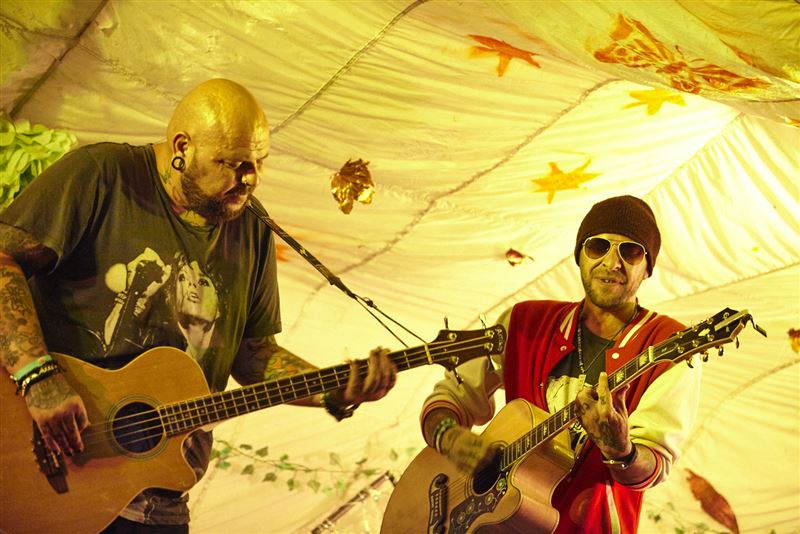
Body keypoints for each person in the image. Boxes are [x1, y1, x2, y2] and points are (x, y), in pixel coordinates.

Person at [0, 78, 397, 532]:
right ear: (182, 147)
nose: (251, 179)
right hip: (57, 466)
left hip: (160, 500)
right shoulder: (102, 175)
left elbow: (254, 355)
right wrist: (37, 375)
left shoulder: (252, 230)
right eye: (235, 163)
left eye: (260, 163)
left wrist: (333, 389)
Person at [419, 195, 701, 533]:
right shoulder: (523, 322)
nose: (612, 262)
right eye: (598, 246)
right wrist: (450, 438)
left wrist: (622, 451)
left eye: (630, 252)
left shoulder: (669, 344)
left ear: (648, 267)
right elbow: (450, 398)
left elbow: (653, 466)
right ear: (579, 254)